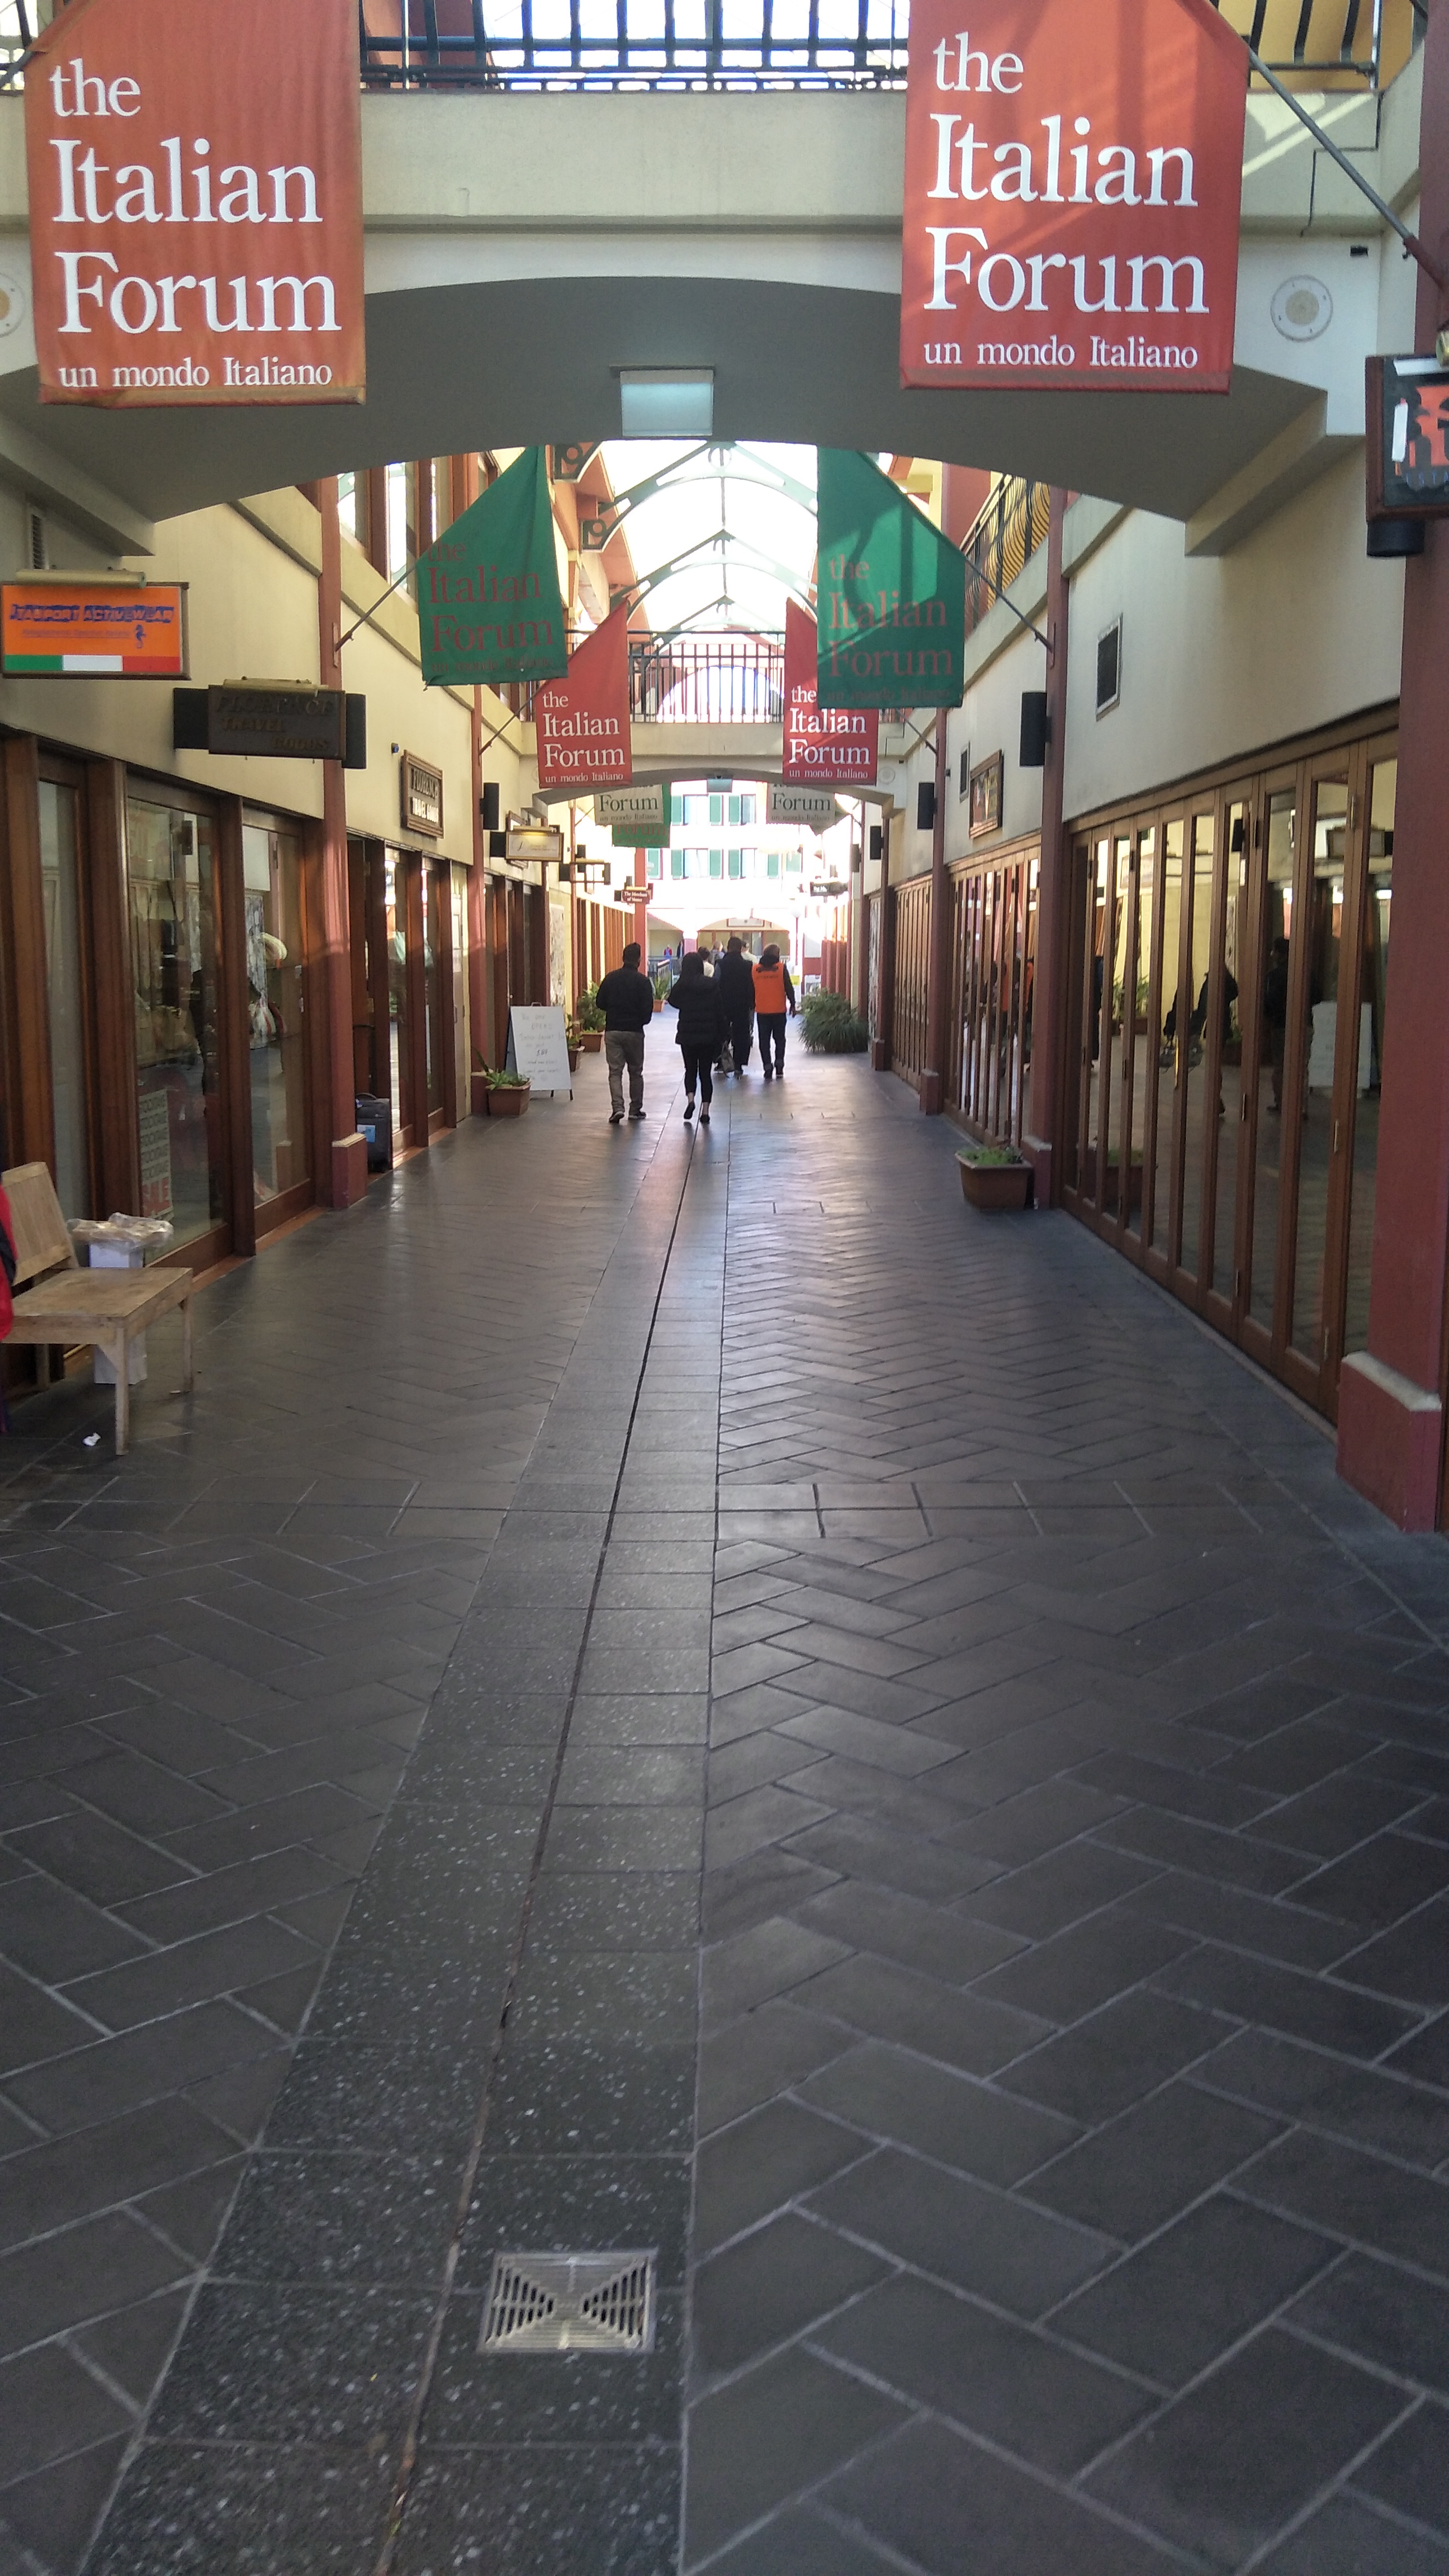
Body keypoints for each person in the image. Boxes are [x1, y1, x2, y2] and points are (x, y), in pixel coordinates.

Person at [595, 940, 655, 1125]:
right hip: (635, 1032)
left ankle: (617, 1108)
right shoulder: (643, 982)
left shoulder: (611, 978)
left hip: (613, 1030)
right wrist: (639, 1021)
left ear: (623, 958)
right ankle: (635, 1109)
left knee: (615, 1072)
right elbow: (647, 1011)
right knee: (636, 1071)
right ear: (639, 960)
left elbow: (600, 1002)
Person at [667, 949, 727, 1125]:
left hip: (687, 1034)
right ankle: (706, 1111)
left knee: (690, 1069)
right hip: (709, 1036)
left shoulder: (682, 985)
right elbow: (719, 1011)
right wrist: (723, 1034)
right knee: (706, 1074)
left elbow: (672, 1000)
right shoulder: (712, 985)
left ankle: (691, 1100)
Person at [753, 943, 797, 1079]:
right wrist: (793, 1004)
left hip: (762, 1010)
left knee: (764, 1041)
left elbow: (751, 989)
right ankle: (779, 1065)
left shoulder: (755, 970)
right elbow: (789, 987)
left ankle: (767, 1067)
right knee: (780, 1039)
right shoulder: (781, 968)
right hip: (779, 1010)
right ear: (777, 955)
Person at [715, 935, 756, 1075]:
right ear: (740, 949)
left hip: (723, 1005)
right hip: (742, 1005)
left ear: (728, 947)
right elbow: (751, 986)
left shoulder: (720, 964)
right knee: (741, 1035)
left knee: (722, 1033)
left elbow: (716, 983)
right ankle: (739, 1064)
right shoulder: (747, 965)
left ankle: (721, 1062)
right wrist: (752, 1004)